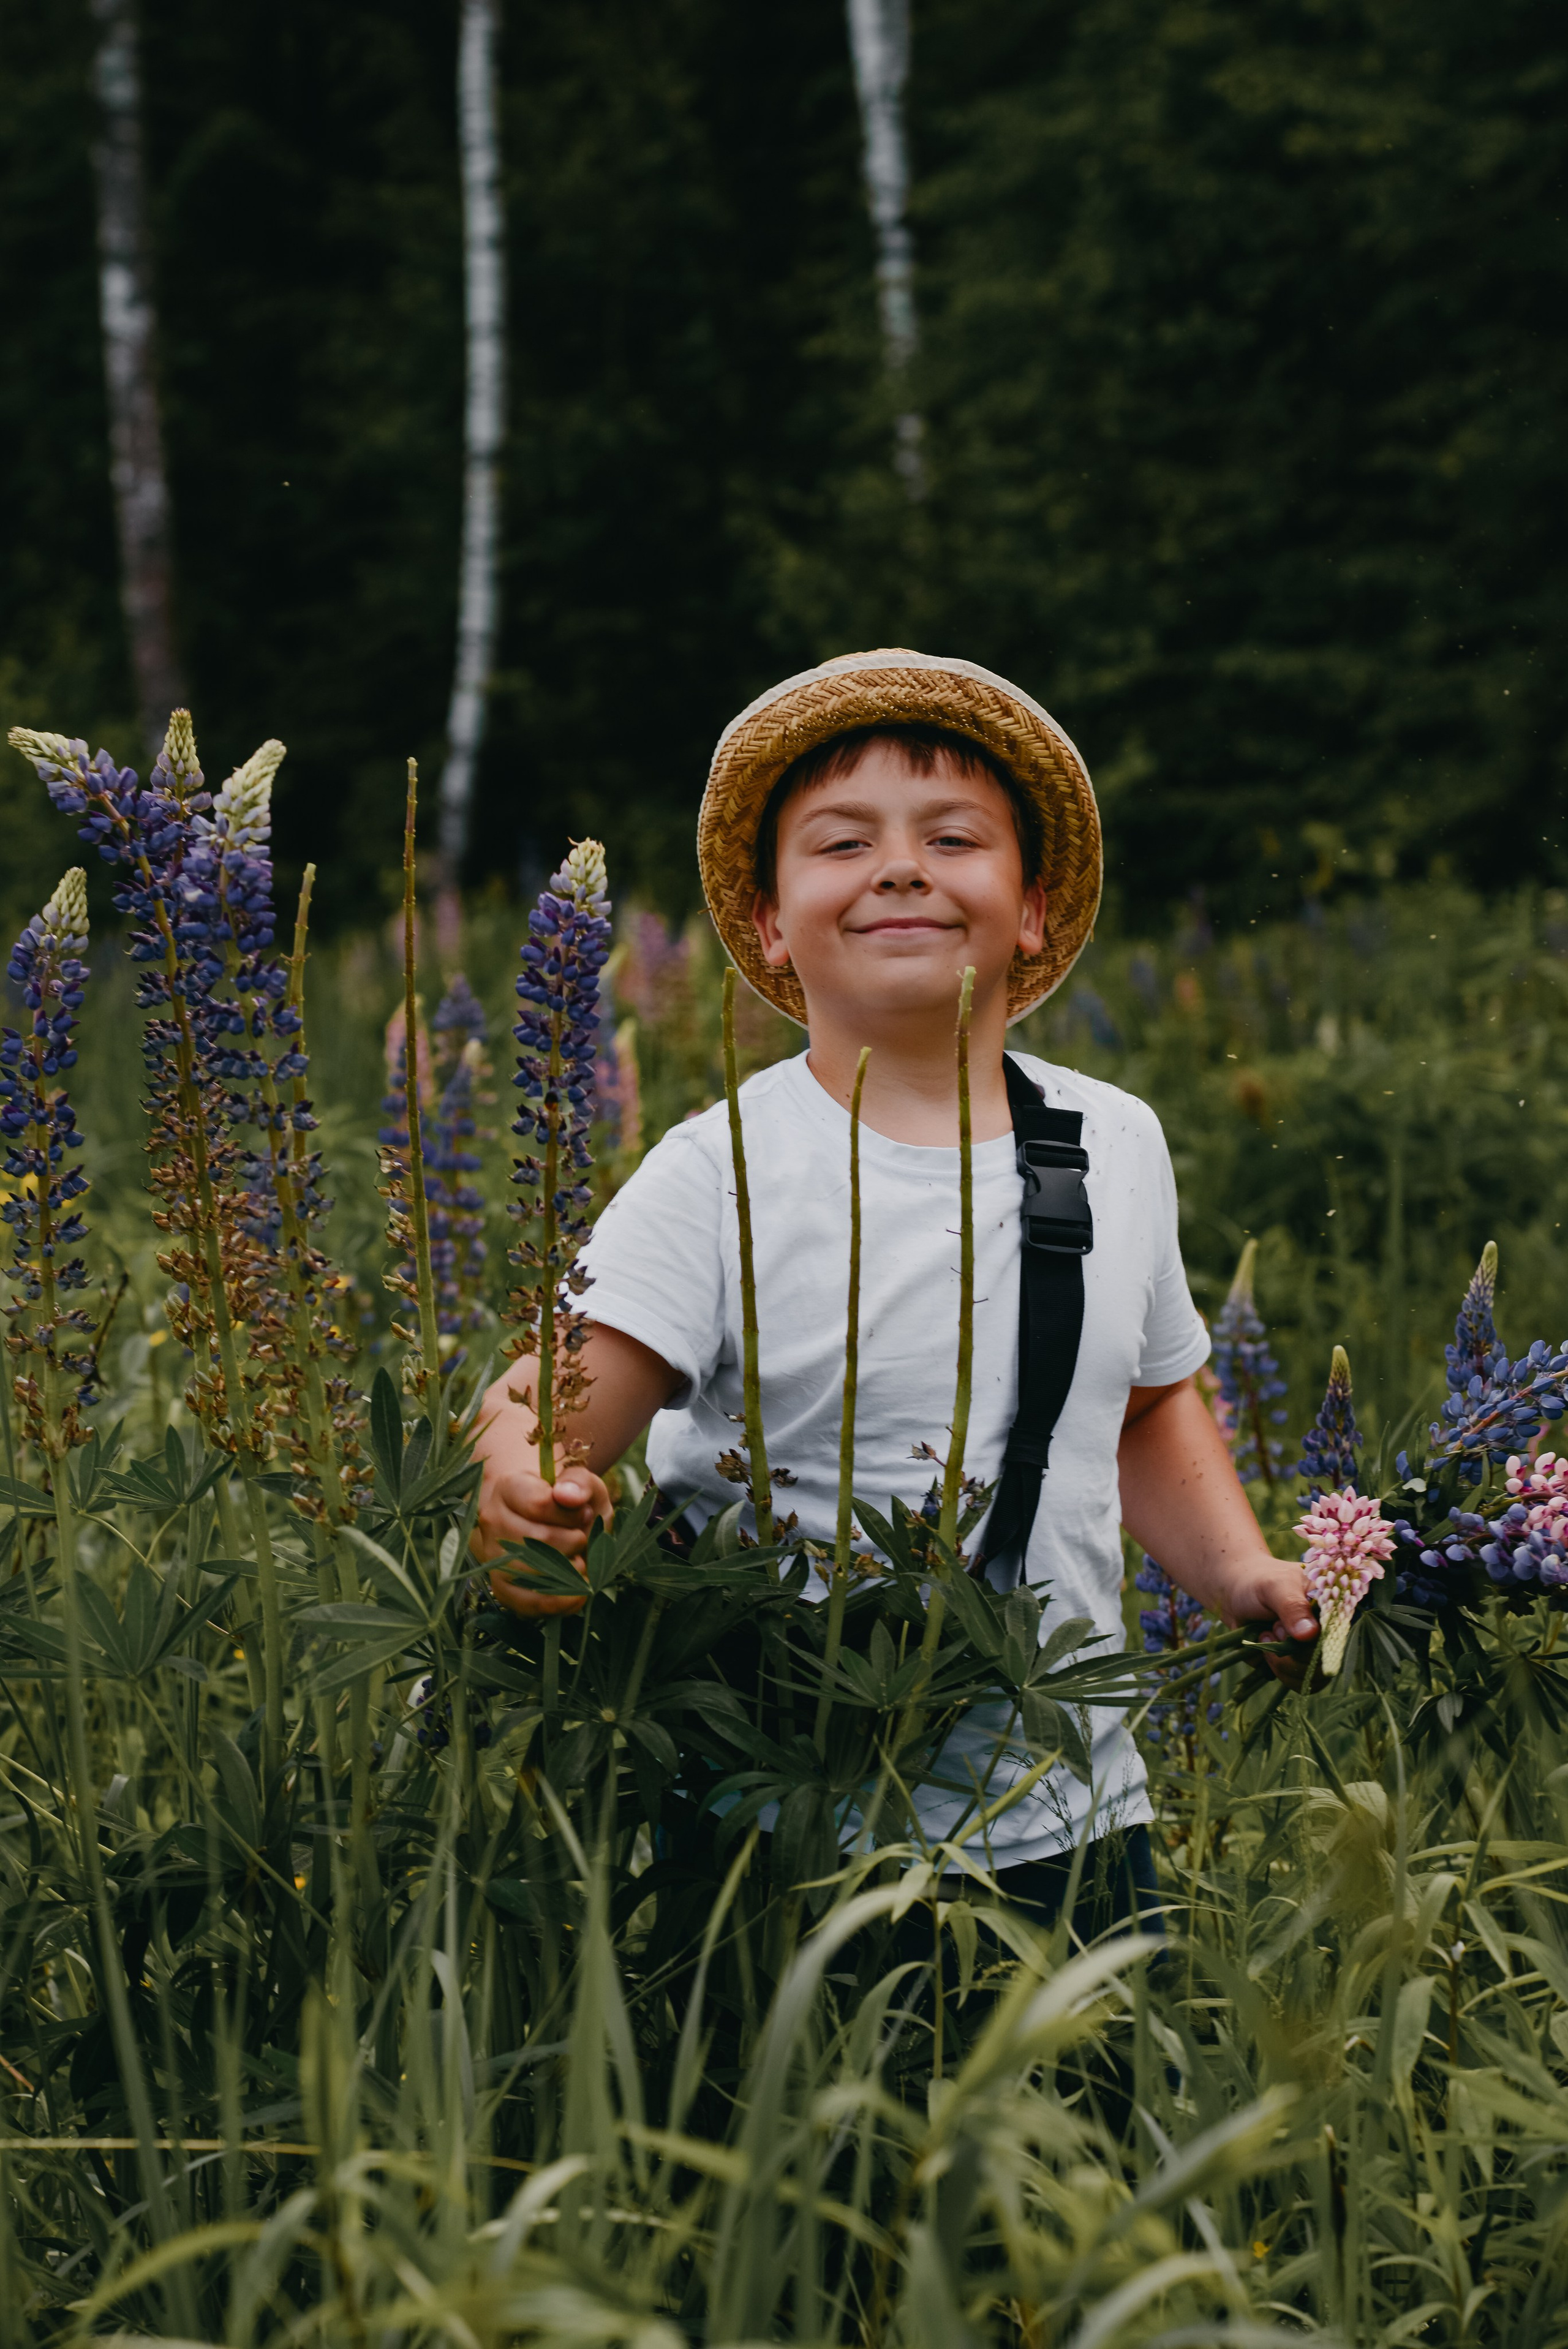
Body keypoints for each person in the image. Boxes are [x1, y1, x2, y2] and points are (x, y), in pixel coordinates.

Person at [471, 649, 1317, 1932]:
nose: (902, 865)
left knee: (1083, 2127)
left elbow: (1145, 1408)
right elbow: (561, 1391)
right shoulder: (719, 1166)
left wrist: (1238, 1568)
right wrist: (521, 1483)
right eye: (842, 841)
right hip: (773, 1815)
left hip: (1067, 1798)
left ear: (1030, 907)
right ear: (768, 921)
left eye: (953, 836)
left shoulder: (1114, 1141)